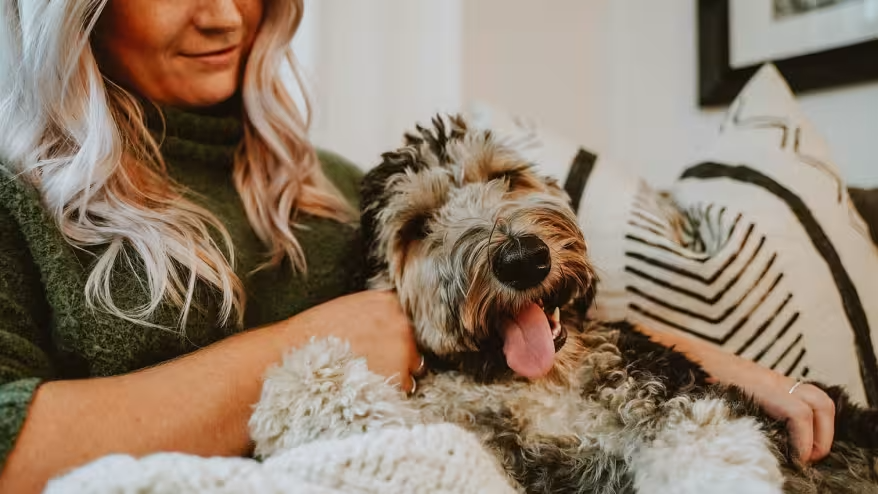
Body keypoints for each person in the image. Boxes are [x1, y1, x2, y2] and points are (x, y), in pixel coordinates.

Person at [0, 1, 835, 492]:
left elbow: (516, 327)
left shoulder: (329, 186)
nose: (228, 14)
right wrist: (311, 346)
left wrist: (728, 370)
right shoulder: (17, 203)